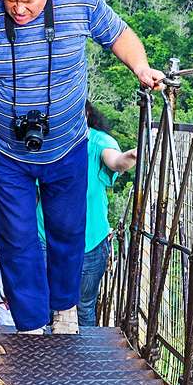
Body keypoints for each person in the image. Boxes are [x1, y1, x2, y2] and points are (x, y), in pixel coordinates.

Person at [0, 0, 164, 334]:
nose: (19, 9)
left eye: (28, 1)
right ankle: (30, 325)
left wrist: (141, 67)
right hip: (4, 147)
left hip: (66, 144)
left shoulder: (79, 2)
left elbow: (119, 35)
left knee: (67, 229)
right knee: (16, 236)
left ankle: (64, 309)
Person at [77, 105, 138, 328]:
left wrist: (129, 157)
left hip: (89, 240)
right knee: (47, 303)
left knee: (83, 305)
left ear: (86, 114)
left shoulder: (96, 141)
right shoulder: (47, 139)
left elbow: (114, 160)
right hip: (47, 237)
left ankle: (82, 349)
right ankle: (48, 349)